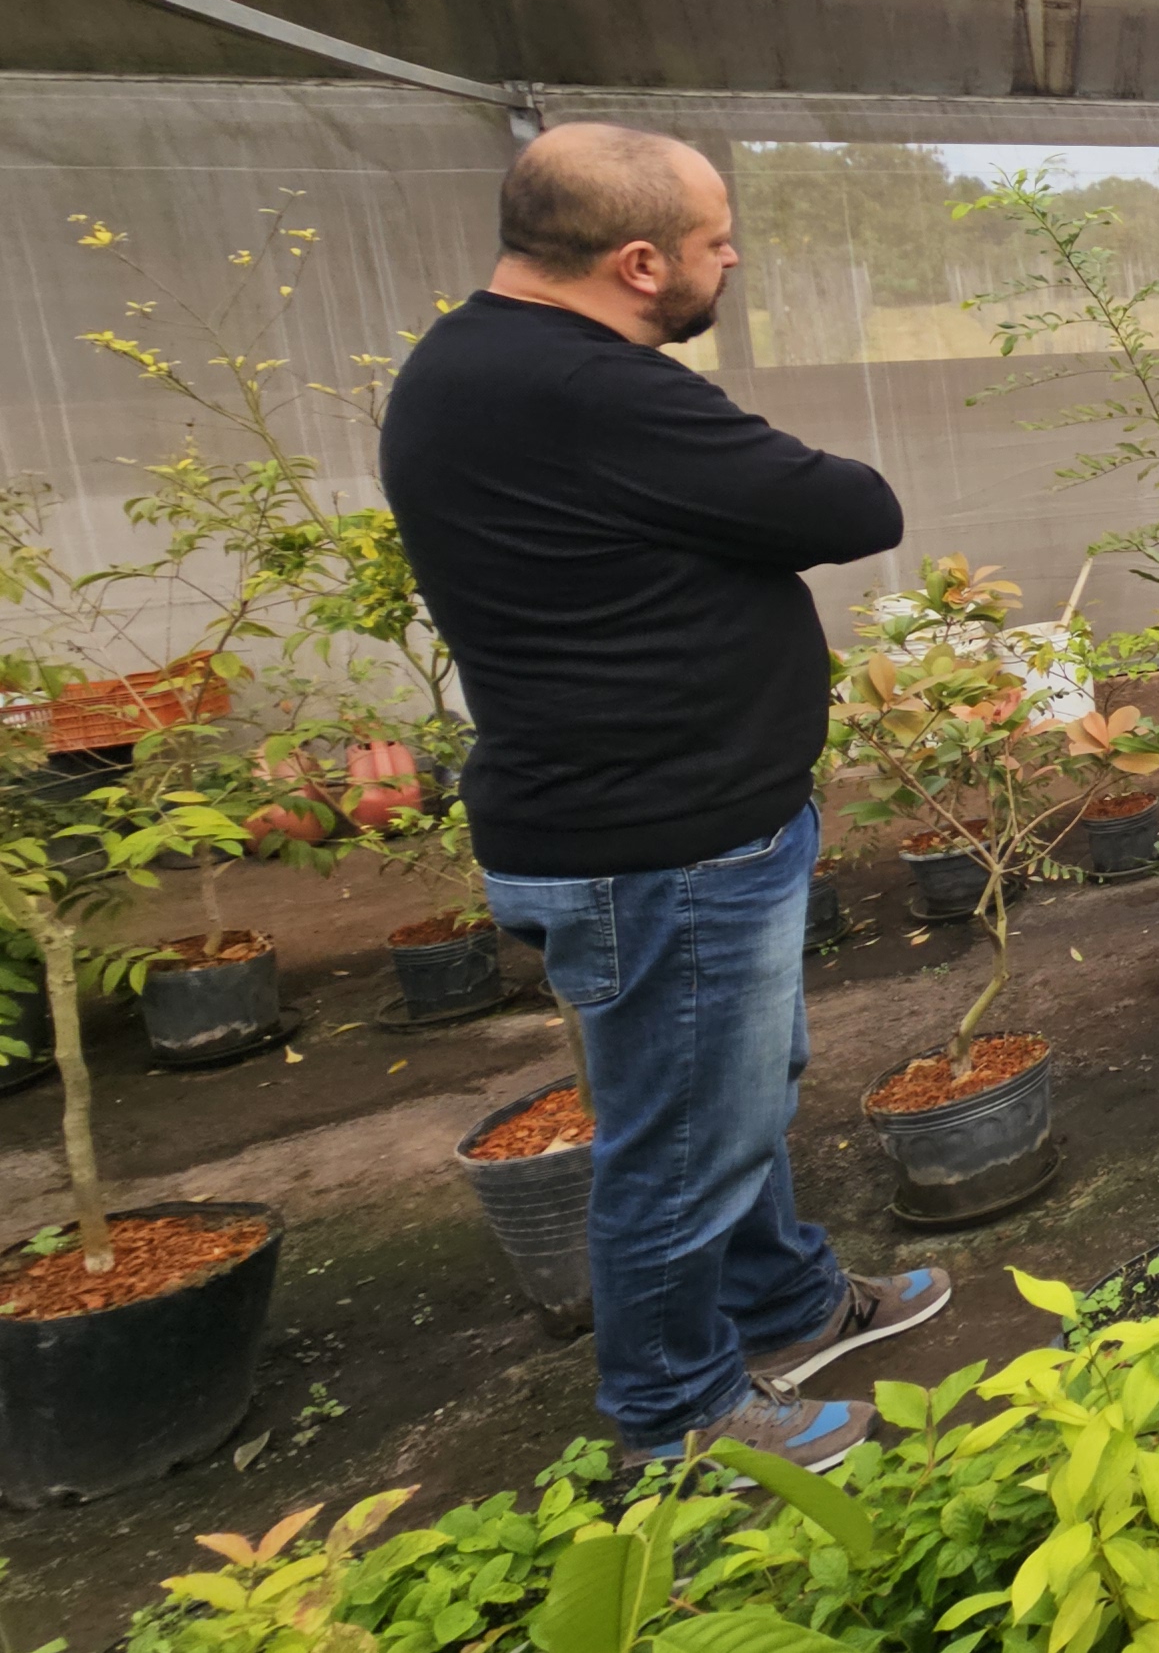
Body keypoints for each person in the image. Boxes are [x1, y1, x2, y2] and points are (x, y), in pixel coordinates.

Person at [380, 123, 936, 1476]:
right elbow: (855, 505)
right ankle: (678, 1417)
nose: (731, 259)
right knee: (680, 1141)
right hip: (657, 839)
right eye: (714, 242)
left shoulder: (469, 364)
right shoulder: (588, 391)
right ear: (638, 262)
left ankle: (788, 1301)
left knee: (727, 1101)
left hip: (666, 821)